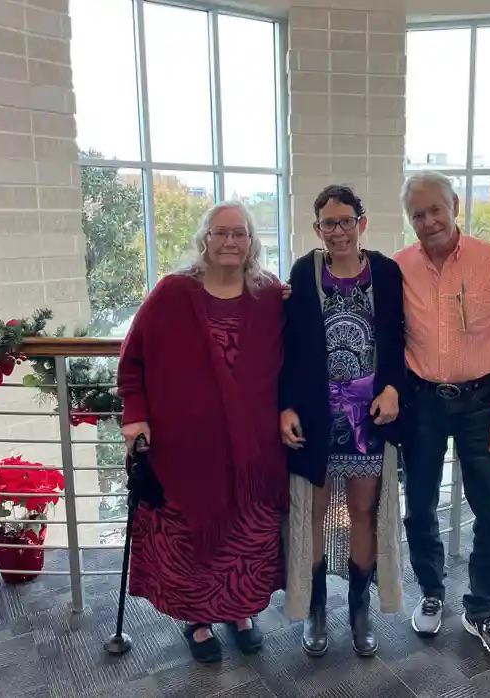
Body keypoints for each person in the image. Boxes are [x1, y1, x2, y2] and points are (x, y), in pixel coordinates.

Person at [117, 201, 288, 664]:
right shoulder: (173, 293)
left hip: (253, 452)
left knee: (246, 537)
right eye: (221, 233)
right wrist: (135, 418)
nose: (230, 241)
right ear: (205, 240)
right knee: (193, 538)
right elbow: (132, 362)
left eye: (240, 233)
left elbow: (296, 356)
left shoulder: (270, 295)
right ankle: (199, 620)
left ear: (252, 243)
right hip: (185, 450)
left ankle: (240, 611)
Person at [395, 172, 490, 663]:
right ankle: (432, 591)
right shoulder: (399, 268)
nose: (428, 221)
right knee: (420, 509)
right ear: (409, 219)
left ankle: (482, 609)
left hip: (484, 402)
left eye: (435, 209)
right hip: (422, 402)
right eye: (417, 214)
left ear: (454, 205)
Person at [281, 184, 405, 658]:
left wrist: (393, 386)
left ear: (362, 222)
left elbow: (399, 339)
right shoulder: (303, 272)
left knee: (362, 515)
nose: (338, 231)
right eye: (328, 223)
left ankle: (359, 610)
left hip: (368, 418)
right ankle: (315, 611)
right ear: (317, 229)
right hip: (316, 418)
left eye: (346, 221)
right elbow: (289, 349)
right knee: (311, 517)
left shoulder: (388, 273)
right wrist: (286, 405)